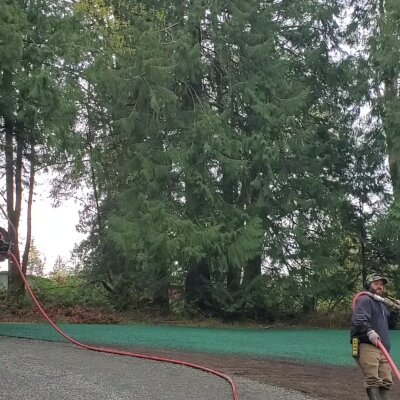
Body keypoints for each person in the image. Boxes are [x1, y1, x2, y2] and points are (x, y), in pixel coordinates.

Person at [351, 273, 398, 400]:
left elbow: (390, 324)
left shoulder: (381, 304)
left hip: (383, 348)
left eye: (381, 285)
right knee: (373, 378)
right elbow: (359, 319)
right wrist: (370, 332)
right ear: (368, 285)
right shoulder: (364, 299)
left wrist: (395, 311)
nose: (380, 287)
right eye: (376, 284)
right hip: (368, 344)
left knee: (386, 380)